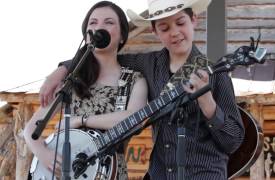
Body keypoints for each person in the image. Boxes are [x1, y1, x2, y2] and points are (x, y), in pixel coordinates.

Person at [39, 0, 245, 179]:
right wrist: (60, 70)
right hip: (160, 173)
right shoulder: (148, 63)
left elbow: (234, 140)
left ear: (194, 21)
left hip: (204, 174)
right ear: (154, 31)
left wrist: (208, 104)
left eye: (180, 23)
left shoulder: (215, 74)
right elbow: (104, 57)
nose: (174, 33)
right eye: (164, 28)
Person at [23, 1, 148, 179]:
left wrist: (82, 120)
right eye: (93, 23)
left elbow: (135, 119)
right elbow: (30, 131)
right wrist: (42, 154)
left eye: (109, 22)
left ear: (122, 36)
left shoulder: (134, 80)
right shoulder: (72, 80)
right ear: (86, 34)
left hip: (110, 173)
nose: (99, 28)